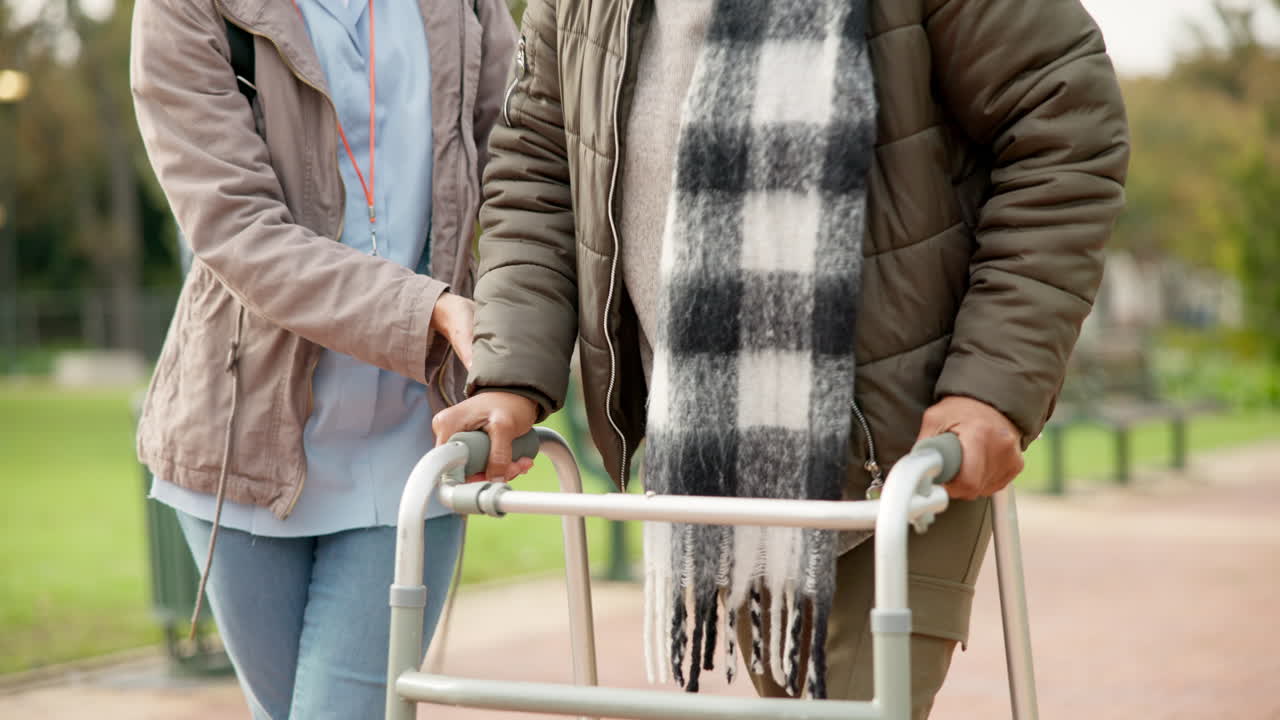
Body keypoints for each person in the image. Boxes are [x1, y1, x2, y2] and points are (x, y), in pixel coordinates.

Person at [433, 0, 1128, 716]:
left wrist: (991, 388)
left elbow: (1065, 119)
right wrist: (511, 377)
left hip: (900, 447)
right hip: (716, 450)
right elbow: (536, 170)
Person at [129, 0, 515, 715]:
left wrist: (520, 372)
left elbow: (522, 178)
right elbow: (237, 228)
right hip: (242, 447)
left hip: (414, 443)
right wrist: (427, 307)